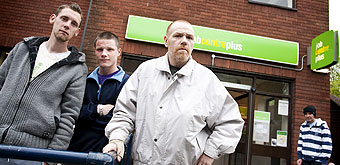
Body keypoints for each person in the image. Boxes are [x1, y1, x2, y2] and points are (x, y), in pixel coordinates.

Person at [103, 20, 244, 165]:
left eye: (189, 37)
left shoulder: (206, 80)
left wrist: (210, 152)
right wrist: (117, 139)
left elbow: (230, 122)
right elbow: (124, 112)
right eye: (178, 36)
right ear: (166, 41)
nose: (184, 41)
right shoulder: (145, 72)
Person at [0, 2, 87, 164]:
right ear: (52, 19)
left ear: (77, 32)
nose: (67, 25)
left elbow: (69, 117)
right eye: (64, 19)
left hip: (32, 154)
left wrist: (50, 158)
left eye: (73, 24)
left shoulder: (76, 68)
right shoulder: (22, 49)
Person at [67, 31, 129, 153]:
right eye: (100, 49)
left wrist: (87, 113)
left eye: (109, 49)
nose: (104, 54)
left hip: (105, 152)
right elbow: (73, 112)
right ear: (95, 51)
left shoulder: (127, 83)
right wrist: (97, 109)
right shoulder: (84, 79)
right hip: (75, 150)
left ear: (119, 52)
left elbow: (122, 118)